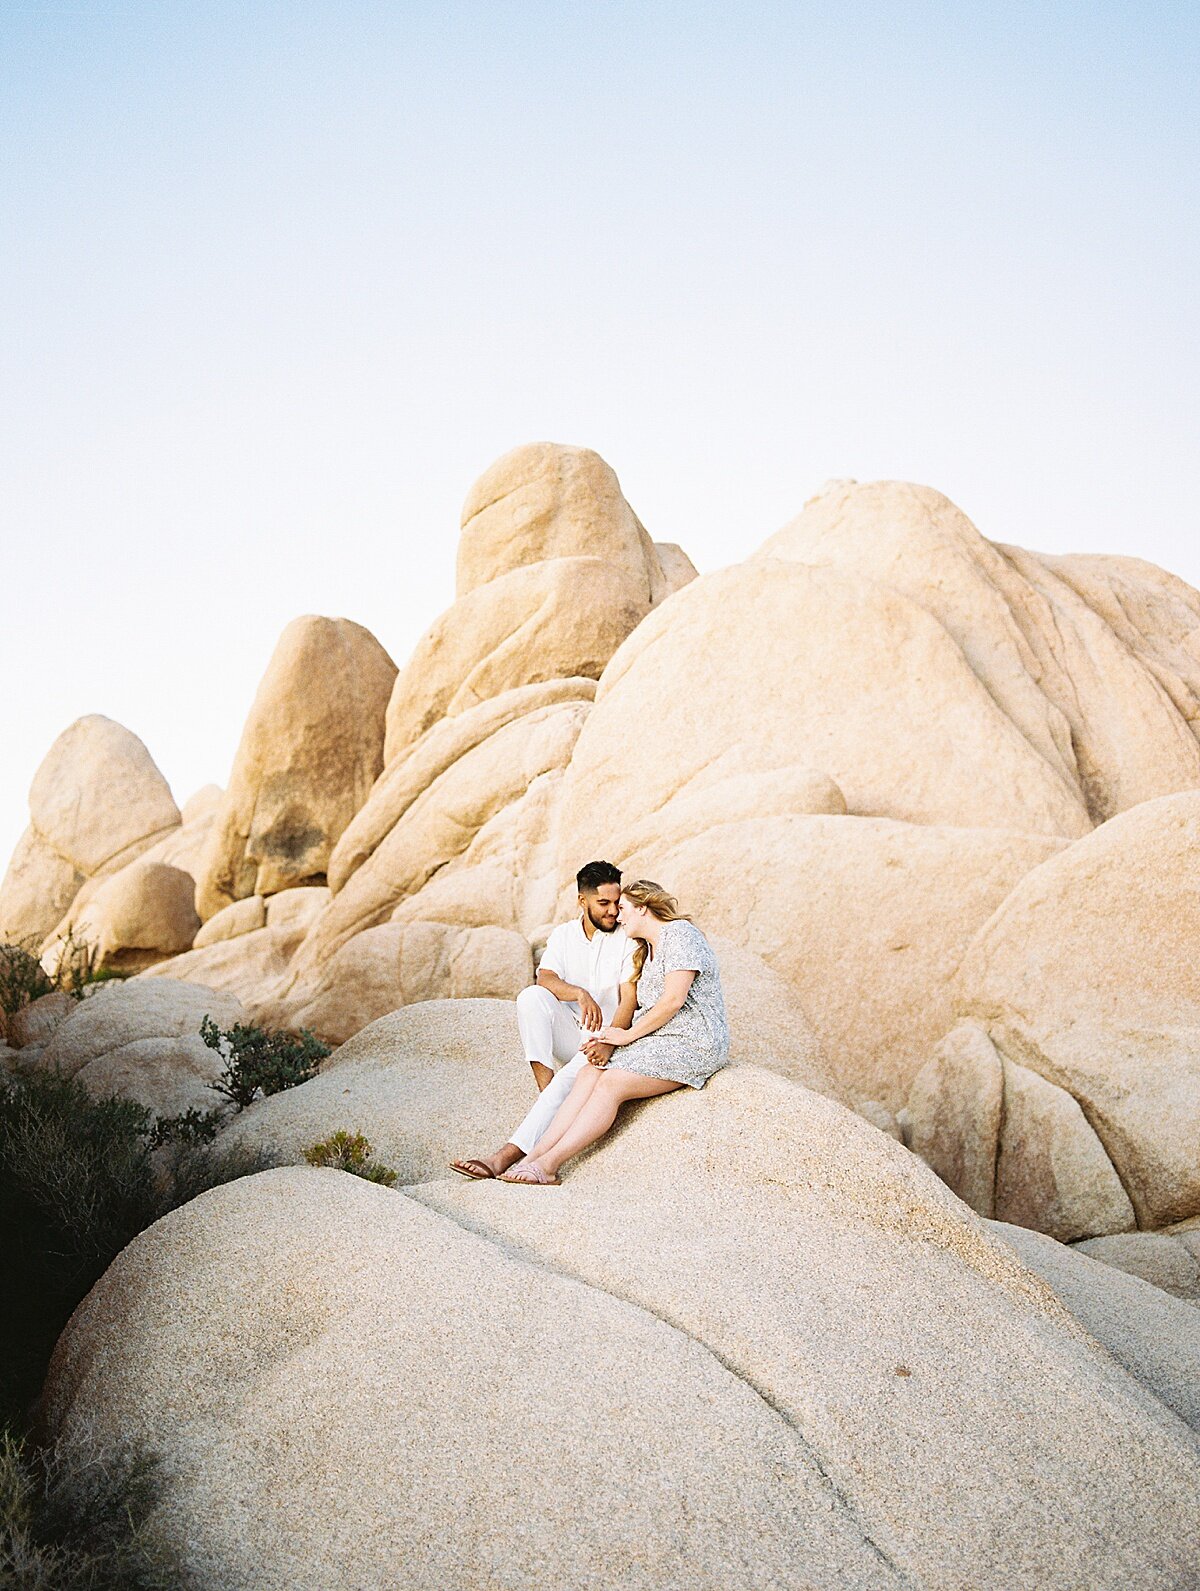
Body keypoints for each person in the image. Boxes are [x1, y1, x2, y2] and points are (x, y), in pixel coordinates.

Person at [501, 879, 729, 1185]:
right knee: (588, 1073)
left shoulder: (680, 935)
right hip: (661, 1040)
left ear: (643, 908)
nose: (617, 917)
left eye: (622, 908)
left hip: (694, 1042)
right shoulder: (646, 949)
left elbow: (673, 1000)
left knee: (611, 1083)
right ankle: (532, 1158)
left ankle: (550, 1165)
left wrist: (626, 1036)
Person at [449, 860, 637, 1180]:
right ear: (582, 901)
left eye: (616, 903)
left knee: (571, 1080)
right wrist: (578, 993)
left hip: (607, 1040)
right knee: (530, 997)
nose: (612, 911)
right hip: (572, 1031)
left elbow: (629, 1002)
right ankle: (547, 1094)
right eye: (603, 903)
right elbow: (545, 978)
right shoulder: (564, 935)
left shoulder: (626, 938)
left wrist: (607, 1041)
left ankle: (501, 1158)